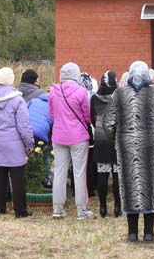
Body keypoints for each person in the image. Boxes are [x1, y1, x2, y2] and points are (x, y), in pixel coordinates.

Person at [104, 61, 154, 243]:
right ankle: (149, 233)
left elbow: (108, 123)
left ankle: (132, 233)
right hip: (152, 142)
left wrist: (117, 138)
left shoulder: (118, 94)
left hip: (126, 143)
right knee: (151, 184)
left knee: (129, 185)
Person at [0, 67, 35, 217]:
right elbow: (24, 126)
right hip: (14, 143)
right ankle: (20, 210)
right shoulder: (18, 99)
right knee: (17, 178)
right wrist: (29, 143)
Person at [49, 62, 93, 220]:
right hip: (78, 136)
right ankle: (81, 209)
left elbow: (52, 114)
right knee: (79, 172)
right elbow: (87, 116)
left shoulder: (53, 91)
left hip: (59, 135)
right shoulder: (81, 92)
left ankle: (58, 208)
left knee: (59, 172)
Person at [91, 70, 122, 218]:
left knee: (102, 174)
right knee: (117, 174)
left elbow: (92, 118)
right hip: (117, 137)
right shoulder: (120, 96)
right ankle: (118, 206)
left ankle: (103, 206)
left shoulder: (94, 98)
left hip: (101, 137)